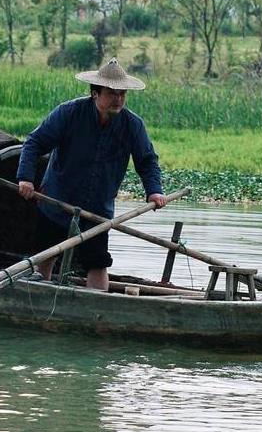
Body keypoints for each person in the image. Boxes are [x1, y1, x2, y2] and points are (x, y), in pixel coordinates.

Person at [16, 58, 167, 290]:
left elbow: (147, 161)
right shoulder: (69, 113)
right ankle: (38, 295)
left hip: (97, 209)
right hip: (58, 200)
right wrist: (25, 178)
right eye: (112, 93)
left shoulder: (132, 125)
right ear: (95, 93)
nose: (118, 99)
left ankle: (97, 304)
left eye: (122, 94)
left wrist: (154, 191)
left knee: (97, 261)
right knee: (47, 254)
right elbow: (34, 143)